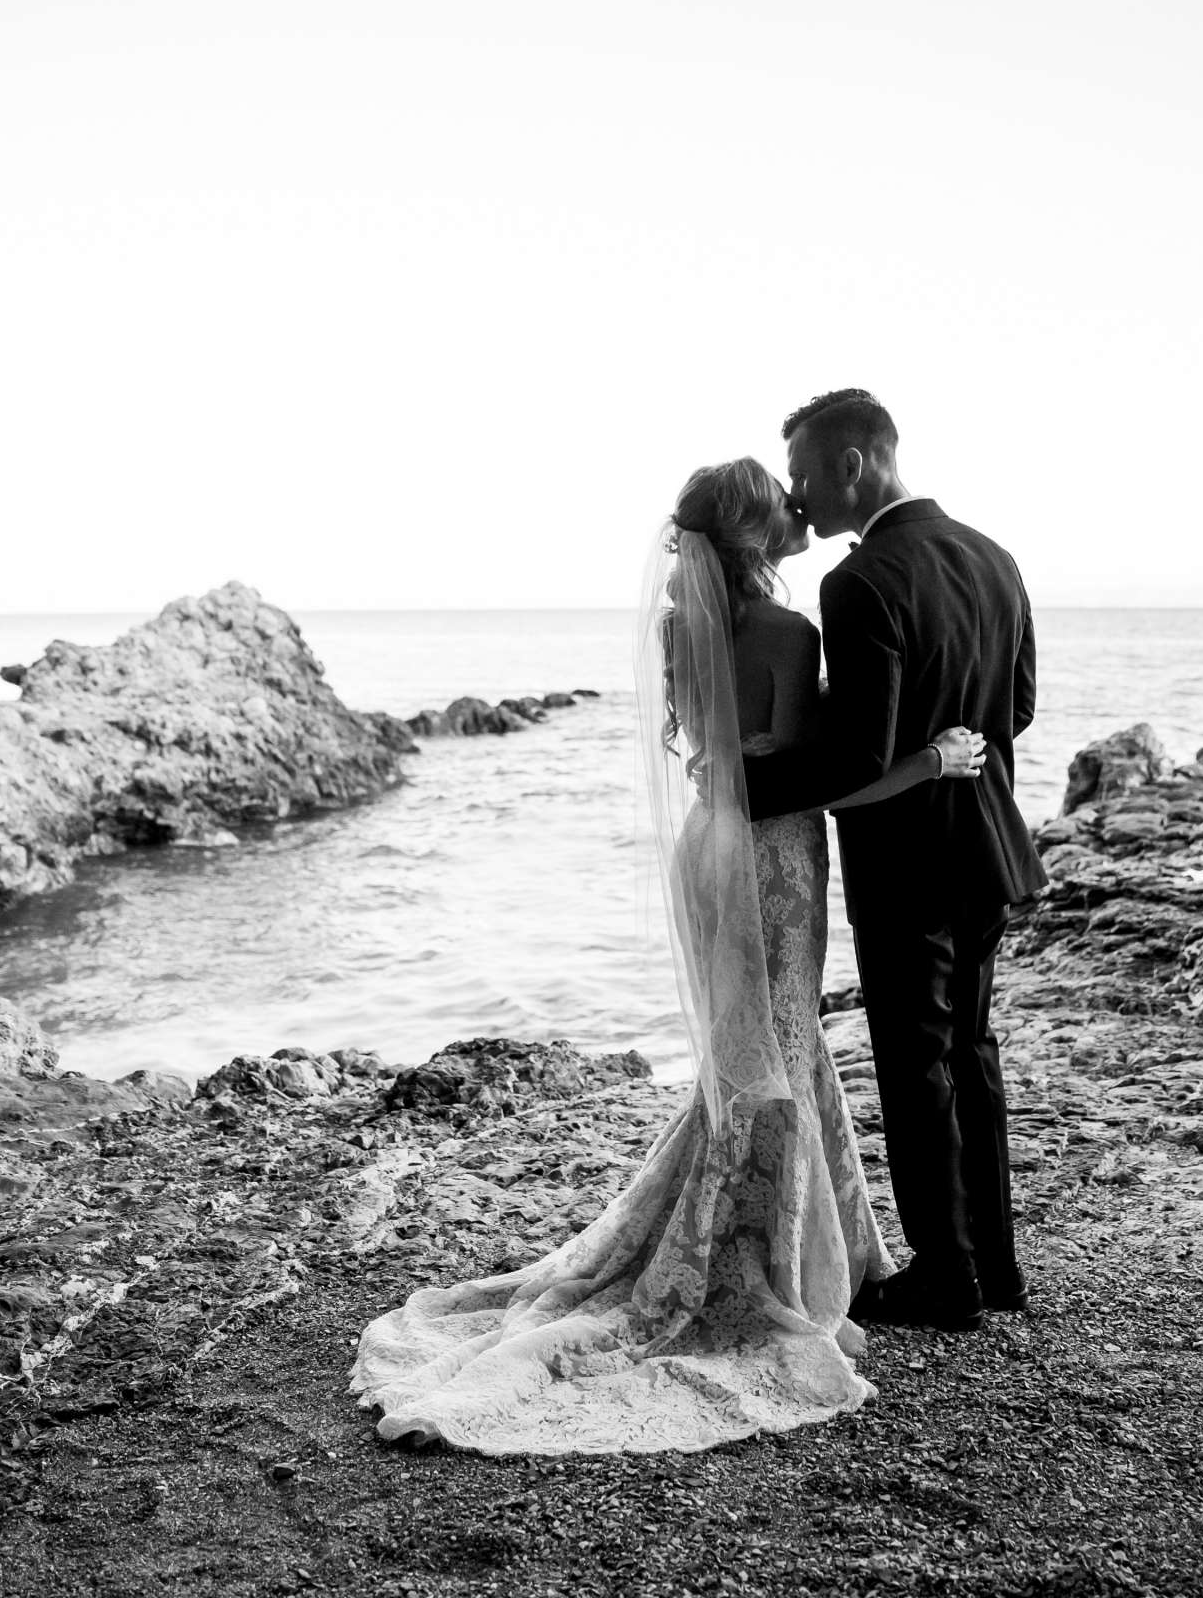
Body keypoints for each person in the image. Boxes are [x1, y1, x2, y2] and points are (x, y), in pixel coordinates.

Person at [349, 457, 986, 1454]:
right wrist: (930, 760)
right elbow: (823, 777)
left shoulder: (677, 629)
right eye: (776, 500)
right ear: (751, 533)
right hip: (772, 855)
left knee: (747, 1047)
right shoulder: (788, 632)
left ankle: (790, 1234)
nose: (792, 503)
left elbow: (722, 760)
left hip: (704, 844)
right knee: (779, 1037)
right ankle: (771, 1254)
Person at [742, 389, 1047, 1333]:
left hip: (907, 862)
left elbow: (857, 761)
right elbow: (1020, 707)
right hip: (988, 847)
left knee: (916, 1067)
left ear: (851, 464)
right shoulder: (995, 557)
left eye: (801, 475)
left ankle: (944, 1279)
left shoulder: (860, 581)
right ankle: (996, 1267)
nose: (797, 499)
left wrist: (748, 797)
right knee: (973, 1054)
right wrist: (953, 745)